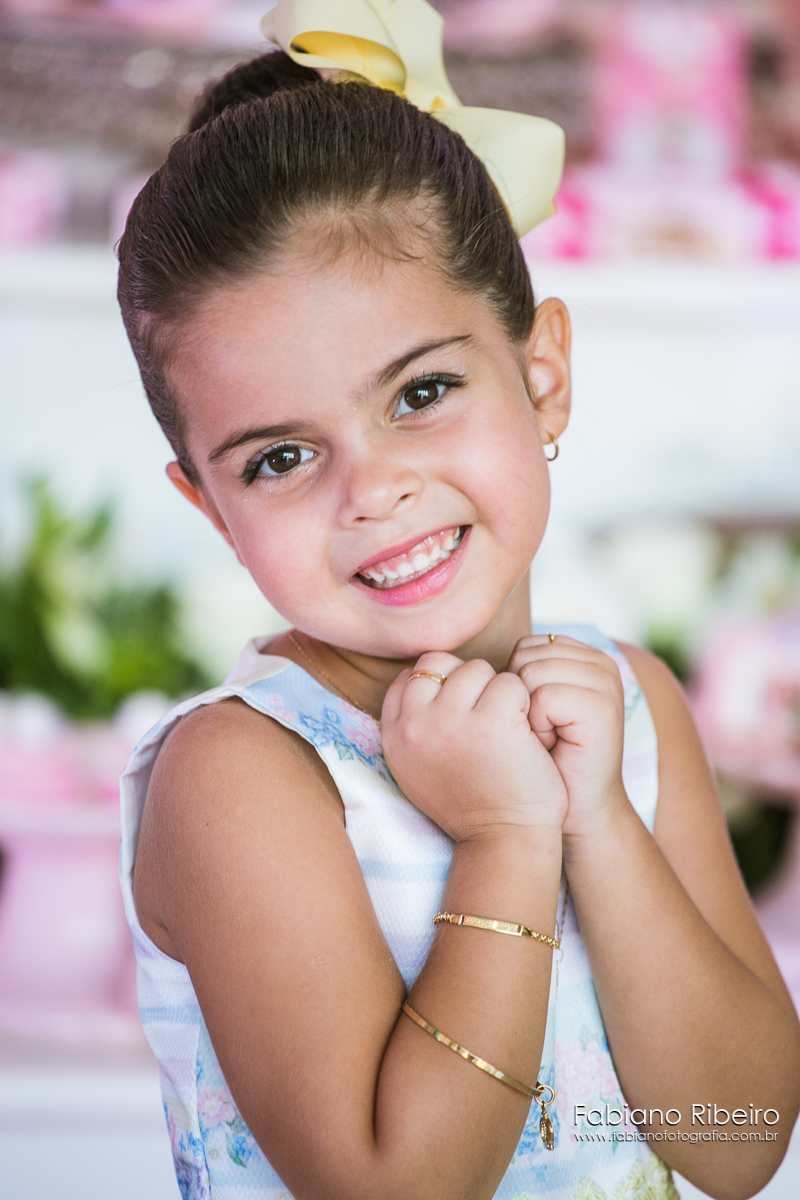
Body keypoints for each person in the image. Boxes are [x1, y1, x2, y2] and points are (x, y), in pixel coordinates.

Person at [117, 3, 800, 1198]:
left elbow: (738, 1140)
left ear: (542, 375)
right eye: (281, 458)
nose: (373, 491)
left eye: (420, 392)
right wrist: (505, 837)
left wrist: (598, 817)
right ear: (212, 509)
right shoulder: (243, 775)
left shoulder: (630, 707)